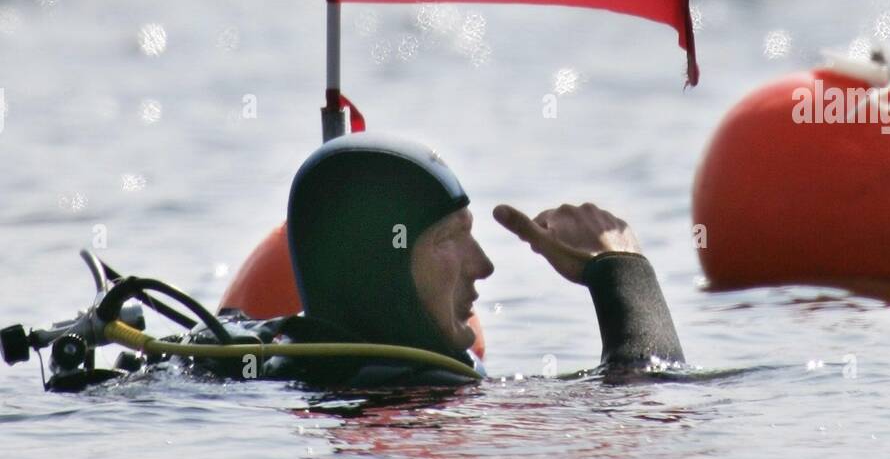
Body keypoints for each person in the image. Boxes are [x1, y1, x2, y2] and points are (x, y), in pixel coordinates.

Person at [196, 134, 684, 387]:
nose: (484, 265)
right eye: (450, 238)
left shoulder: (269, 356)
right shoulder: (420, 396)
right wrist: (621, 269)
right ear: (378, 268)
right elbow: (653, 405)